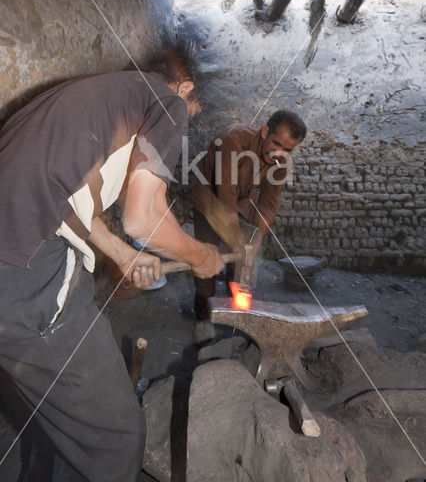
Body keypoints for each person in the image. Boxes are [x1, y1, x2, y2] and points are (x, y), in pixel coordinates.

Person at [0, 54, 223, 481]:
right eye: (192, 112)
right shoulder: (166, 103)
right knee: (114, 439)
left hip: (15, 259)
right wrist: (200, 256)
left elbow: (67, 198)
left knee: (67, 429)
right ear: (187, 90)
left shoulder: (90, 96)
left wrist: (121, 253)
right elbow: (144, 217)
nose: (185, 121)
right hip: (26, 273)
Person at [191, 110, 307, 343]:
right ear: (265, 132)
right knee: (206, 258)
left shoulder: (281, 162)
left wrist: (254, 242)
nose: (279, 153)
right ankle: (203, 317)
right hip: (209, 196)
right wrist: (238, 239)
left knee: (245, 257)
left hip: (242, 200)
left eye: (287, 149)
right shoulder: (234, 140)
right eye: (276, 143)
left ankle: (236, 315)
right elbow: (225, 196)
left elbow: (268, 206)